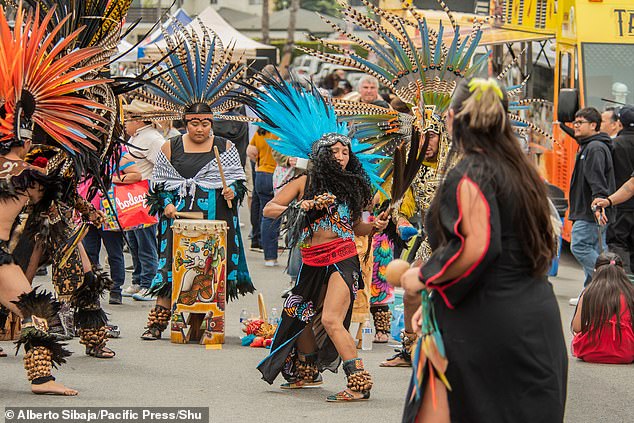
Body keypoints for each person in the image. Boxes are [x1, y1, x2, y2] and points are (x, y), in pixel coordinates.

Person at [400, 78, 567, 422]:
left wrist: (422, 277)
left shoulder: (470, 173)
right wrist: (439, 301)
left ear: (452, 118)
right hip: (535, 321)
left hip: (488, 326)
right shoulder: (523, 171)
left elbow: (476, 247)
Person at [241, 76, 388, 402]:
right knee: (298, 314)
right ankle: (307, 370)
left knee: (332, 319)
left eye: (345, 150)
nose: (341, 155)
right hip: (311, 260)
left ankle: (359, 381)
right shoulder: (304, 182)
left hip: (342, 257)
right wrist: (302, 205)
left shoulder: (356, 188)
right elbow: (269, 210)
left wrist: (374, 226)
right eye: (333, 151)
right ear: (321, 155)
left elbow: (357, 228)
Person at [132, 24, 255, 340]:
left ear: (212, 122)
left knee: (209, 269)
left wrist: (232, 190)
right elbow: (158, 185)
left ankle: (204, 323)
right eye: (194, 123)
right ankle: (158, 322)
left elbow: (238, 184)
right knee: (174, 267)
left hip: (215, 219)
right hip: (179, 219)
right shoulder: (169, 146)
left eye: (205, 123)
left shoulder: (224, 147)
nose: (200, 128)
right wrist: (169, 204)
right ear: (183, 123)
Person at [567, 107, 615, 302]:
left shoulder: (594, 148)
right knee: (594, 248)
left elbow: (596, 178)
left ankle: (608, 283)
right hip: (592, 210)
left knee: (579, 245)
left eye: (580, 123)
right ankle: (589, 297)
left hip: (591, 210)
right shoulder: (590, 145)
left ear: (593, 125)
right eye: (575, 122)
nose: (575, 126)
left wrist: (598, 203)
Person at [121, 100, 164, 300]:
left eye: (128, 119)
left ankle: (149, 283)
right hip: (130, 197)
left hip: (145, 195)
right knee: (133, 242)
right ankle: (138, 280)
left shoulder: (153, 139)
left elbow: (164, 166)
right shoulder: (138, 138)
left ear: (138, 120)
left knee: (146, 242)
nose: (125, 123)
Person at [571, 252, 634, 364]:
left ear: (595, 271)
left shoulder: (588, 292)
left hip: (590, 353)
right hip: (626, 353)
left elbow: (576, 327)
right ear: (623, 271)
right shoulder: (630, 293)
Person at [602, 105, 634, 272]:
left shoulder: (613, 145)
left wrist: (607, 200)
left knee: (618, 245)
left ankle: (624, 286)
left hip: (620, 205)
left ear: (620, 123)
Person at [247, 128, 281, 266]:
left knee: (264, 213)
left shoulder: (260, 131)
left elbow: (251, 151)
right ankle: (272, 254)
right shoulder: (280, 132)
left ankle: (269, 256)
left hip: (260, 174)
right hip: (275, 175)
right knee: (274, 215)